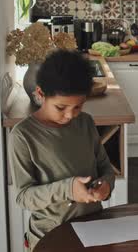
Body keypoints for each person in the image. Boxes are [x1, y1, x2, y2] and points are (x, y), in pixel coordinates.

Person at [9, 50, 115, 250]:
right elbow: (23, 197)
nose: (70, 115)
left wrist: (106, 186)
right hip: (49, 237)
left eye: (78, 107)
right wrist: (67, 189)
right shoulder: (23, 136)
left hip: (93, 231)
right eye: (60, 107)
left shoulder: (86, 123)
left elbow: (105, 169)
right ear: (40, 94)